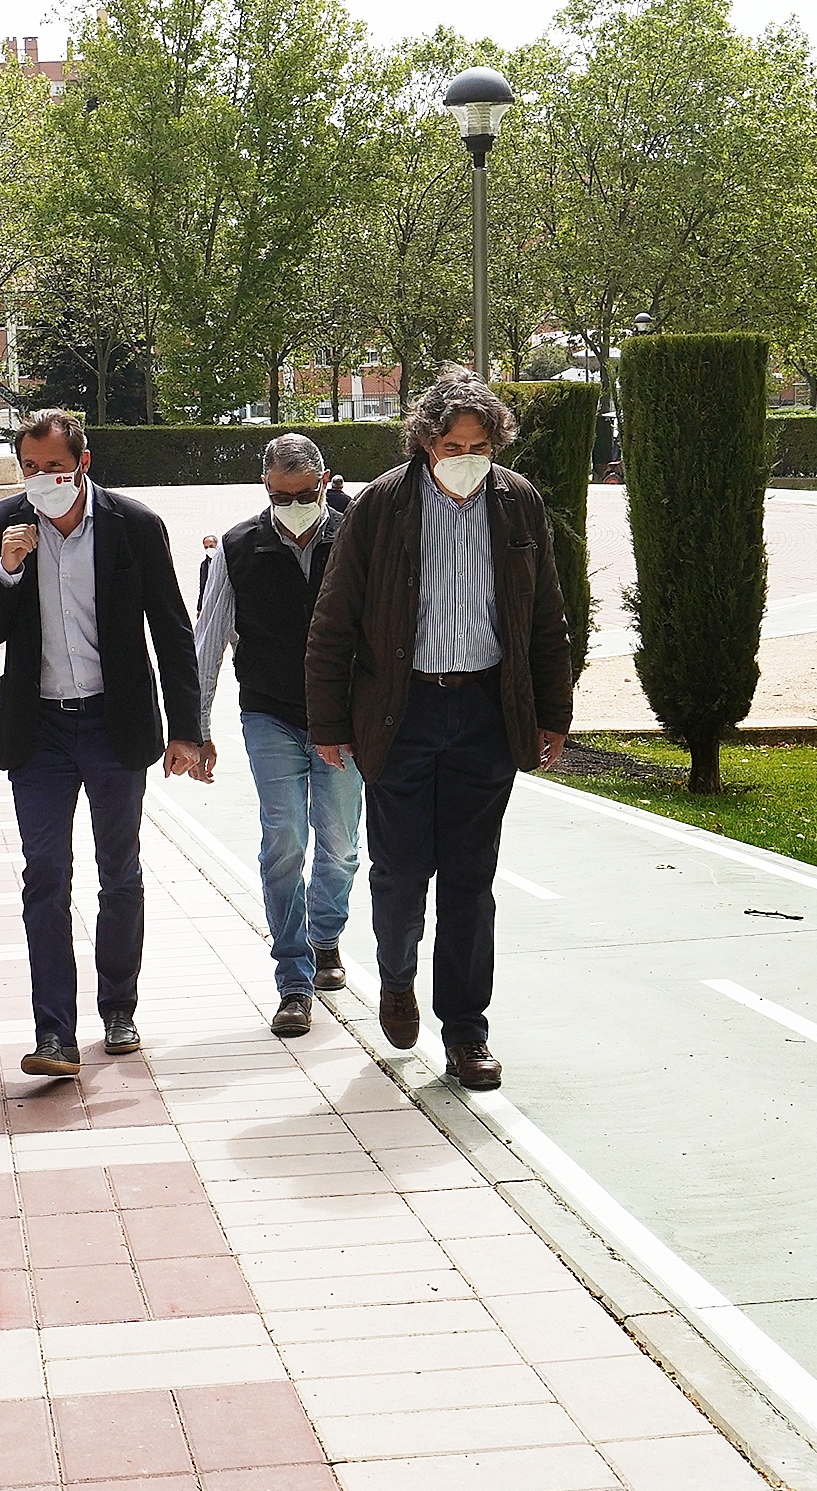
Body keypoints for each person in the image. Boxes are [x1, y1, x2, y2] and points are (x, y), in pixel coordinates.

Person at [305, 372, 571, 1091]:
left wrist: (552, 713)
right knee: (398, 873)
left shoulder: (518, 503)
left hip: (486, 712)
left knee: (470, 879)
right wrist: (329, 722)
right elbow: (334, 619)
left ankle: (466, 1032)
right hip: (403, 713)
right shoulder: (381, 505)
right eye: (453, 445)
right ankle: (396, 978)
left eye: (480, 447)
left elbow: (546, 615)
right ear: (425, 442)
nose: (466, 458)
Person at [0, 409, 202, 1078]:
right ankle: (54, 1032)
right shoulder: (1, 525)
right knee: (45, 875)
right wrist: (7, 571)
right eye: (30, 468)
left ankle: (119, 1008)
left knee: (119, 871)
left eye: (55, 467)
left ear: (83, 463)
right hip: (37, 729)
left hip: (112, 723)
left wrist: (187, 729)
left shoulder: (133, 524)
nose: (43, 478)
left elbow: (172, 629)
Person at [193, 433, 362, 1037]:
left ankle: (325, 935)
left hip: (343, 719)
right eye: (280, 497)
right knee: (283, 841)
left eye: (304, 494)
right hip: (269, 713)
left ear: (325, 482)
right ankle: (293, 977)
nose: (293, 506)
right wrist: (196, 726)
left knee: (340, 843)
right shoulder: (238, 547)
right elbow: (209, 638)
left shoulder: (356, 536)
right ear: (265, 488)